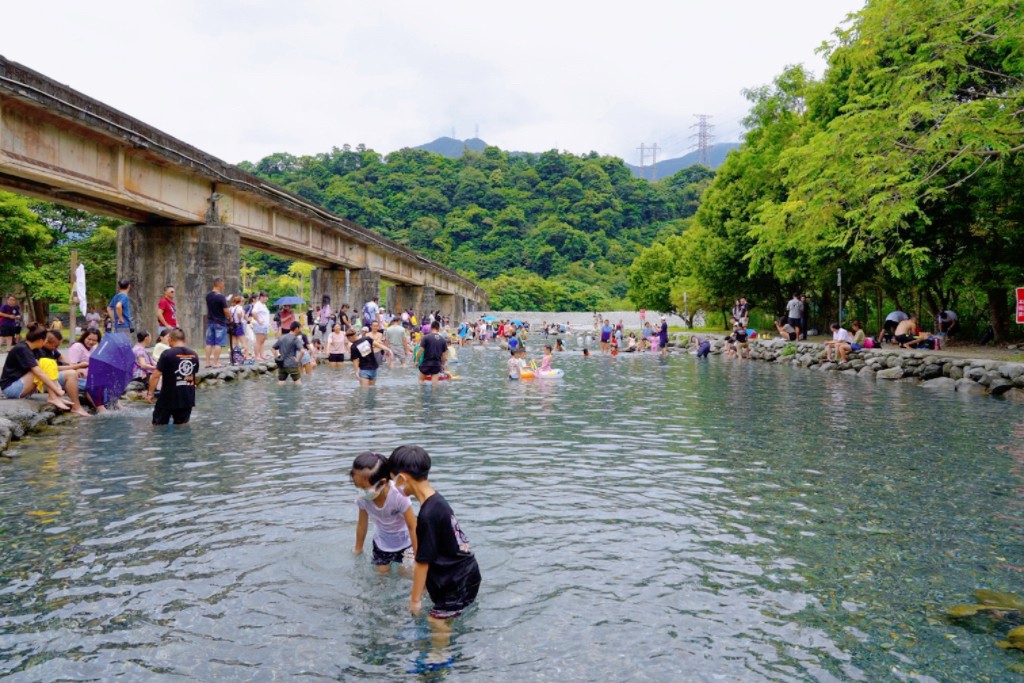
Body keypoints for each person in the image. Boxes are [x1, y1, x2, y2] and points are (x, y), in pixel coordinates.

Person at [388, 445, 481, 661]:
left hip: (456, 581)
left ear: (402, 478)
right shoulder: (436, 501)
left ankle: (439, 659)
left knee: (436, 621)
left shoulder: (428, 515)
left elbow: (423, 562)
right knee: (443, 616)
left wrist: (414, 600)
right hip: (465, 574)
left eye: (393, 481)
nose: (394, 487)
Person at [350, 451, 418, 575]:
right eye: (357, 485)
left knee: (405, 573)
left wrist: (418, 555)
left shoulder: (399, 496)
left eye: (364, 486)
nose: (361, 490)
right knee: (381, 576)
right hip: (381, 543)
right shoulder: (363, 498)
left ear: (382, 482)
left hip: (406, 543)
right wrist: (358, 548)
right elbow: (362, 524)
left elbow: (413, 526)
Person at [0, 326, 71, 411]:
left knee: (47, 362)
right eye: (46, 340)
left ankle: (54, 397)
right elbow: (39, 372)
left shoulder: (35, 349)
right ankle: (53, 397)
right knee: (43, 365)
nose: (46, 342)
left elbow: (51, 366)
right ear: (41, 340)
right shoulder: (22, 348)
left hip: (23, 385)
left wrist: (57, 384)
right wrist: (56, 388)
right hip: (11, 389)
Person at [147, 327, 198, 426]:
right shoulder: (194, 355)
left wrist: (150, 393)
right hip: (187, 398)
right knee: (182, 427)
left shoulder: (167, 354)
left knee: (158, 426)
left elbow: (156, 375)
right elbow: (192, 375)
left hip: (168, 397)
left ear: (170, 339)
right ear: (184, 339)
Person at [34, 330, 90, 417]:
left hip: (54, 378)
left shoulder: (52, 349)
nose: (57, 348)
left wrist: (74, 366)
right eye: (56, 345)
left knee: (90, 384)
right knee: (80, 380)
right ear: (46, 342)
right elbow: (53, 369)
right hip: (46, 381)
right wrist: (76, 367)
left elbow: (61, 357)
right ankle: (77, 407)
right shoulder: (40, 351)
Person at [205, 277, 230, 368]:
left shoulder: (208, 295)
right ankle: (216, 363)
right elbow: (226, 310)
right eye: (223, 284)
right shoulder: (221, 297)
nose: (223, 286)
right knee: (218, 343)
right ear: (219, 284)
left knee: (209, 343)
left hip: (210, 321)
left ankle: (207, 362)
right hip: (220, 322)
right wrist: (230, 317)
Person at [273, 321, 305, 385]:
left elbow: (272, 348)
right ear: (296, 328)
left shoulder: (282, 337)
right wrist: (298, 360)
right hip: (292, 364)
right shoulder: (295, 339)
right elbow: (302, 351)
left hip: (282, 364)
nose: (301, 330)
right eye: (300, 328)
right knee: (298, 383)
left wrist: (277, 356)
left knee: (281, 383)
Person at [251, 291, 271, 360]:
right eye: (265, 297)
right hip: (259, 325)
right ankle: (257, 356)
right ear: (261, 297)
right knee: (258, 341)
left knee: (262, 341)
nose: (266, 298)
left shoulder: (263, 305)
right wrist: (258, 320)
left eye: (267, 297)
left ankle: (262, 355)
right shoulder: (258, 304)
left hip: (264, 326)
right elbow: (253, 312)